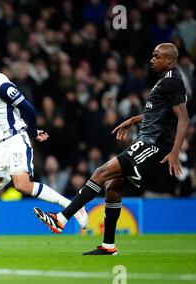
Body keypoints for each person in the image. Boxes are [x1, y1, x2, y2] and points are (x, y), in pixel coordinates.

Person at [34, 43, 189, 255]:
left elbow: (183, 118)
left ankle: (60, 219)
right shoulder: (168, 80)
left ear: (169, 60)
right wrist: (134, 120)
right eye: (152, 56)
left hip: (153, 145)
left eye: (157, 56)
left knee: (101, 173)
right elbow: (162, 114)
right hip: (149, 141)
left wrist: (174, 151)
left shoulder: (171, 82)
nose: (152, 60)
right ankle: (108, 245)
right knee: (113, 187)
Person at [0, 43, 88, 255]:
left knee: (22, 186)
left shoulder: (2, 85)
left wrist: (33, 131)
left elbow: (27, 107)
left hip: (15, 139)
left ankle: (74, 206)